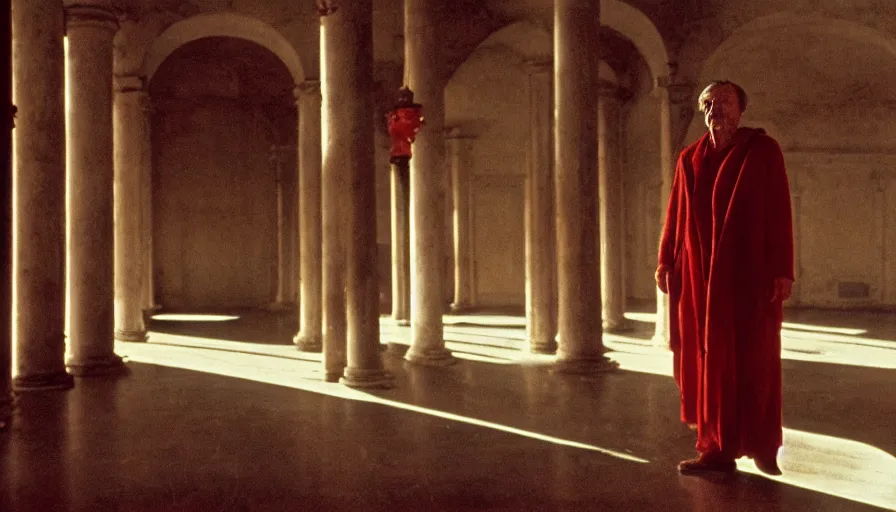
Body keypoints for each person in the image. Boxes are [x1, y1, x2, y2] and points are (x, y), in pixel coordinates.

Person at [656, 80, 794, 476]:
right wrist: (666, 260)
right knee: (707, 361)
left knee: (756, 358)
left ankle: (762, 445)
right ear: (703, 110)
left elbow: (780, 210)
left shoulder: (763, 151)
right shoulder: (689, 158)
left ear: (741, 110)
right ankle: (715, 448)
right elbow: (676, 214)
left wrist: (783, 270)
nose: (717, 108)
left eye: (725, 101)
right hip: (699, 277)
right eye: (710, 102)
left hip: (750, 275)